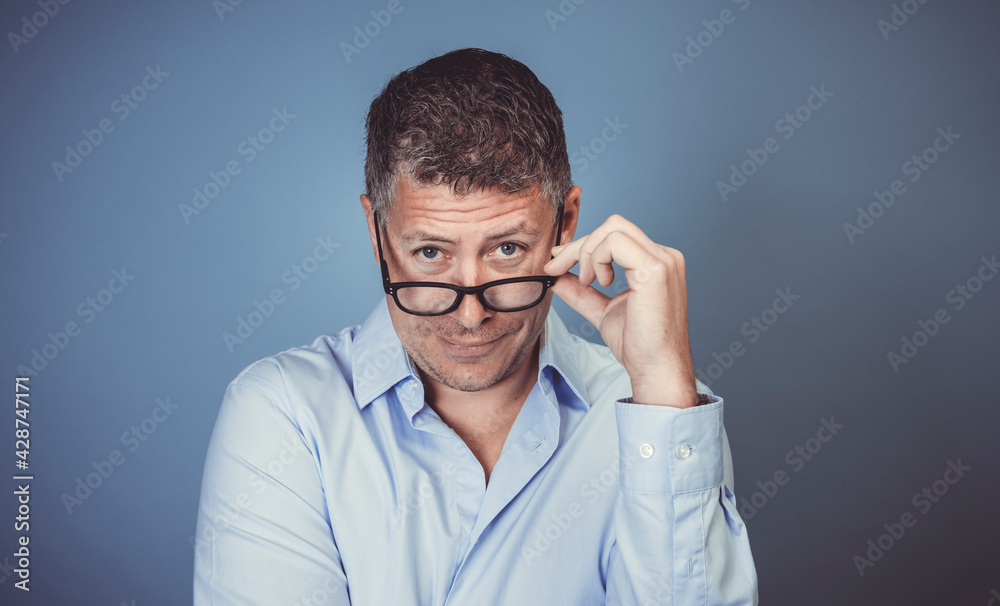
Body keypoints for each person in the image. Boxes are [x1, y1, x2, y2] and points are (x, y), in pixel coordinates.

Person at [193, 47, 758, 605]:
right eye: (432, 254)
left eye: (507, 249)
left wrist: (662, 387)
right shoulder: (285, 413)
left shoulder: (664, 420)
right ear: (376, 234)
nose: (470, 314)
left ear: (565, 224)